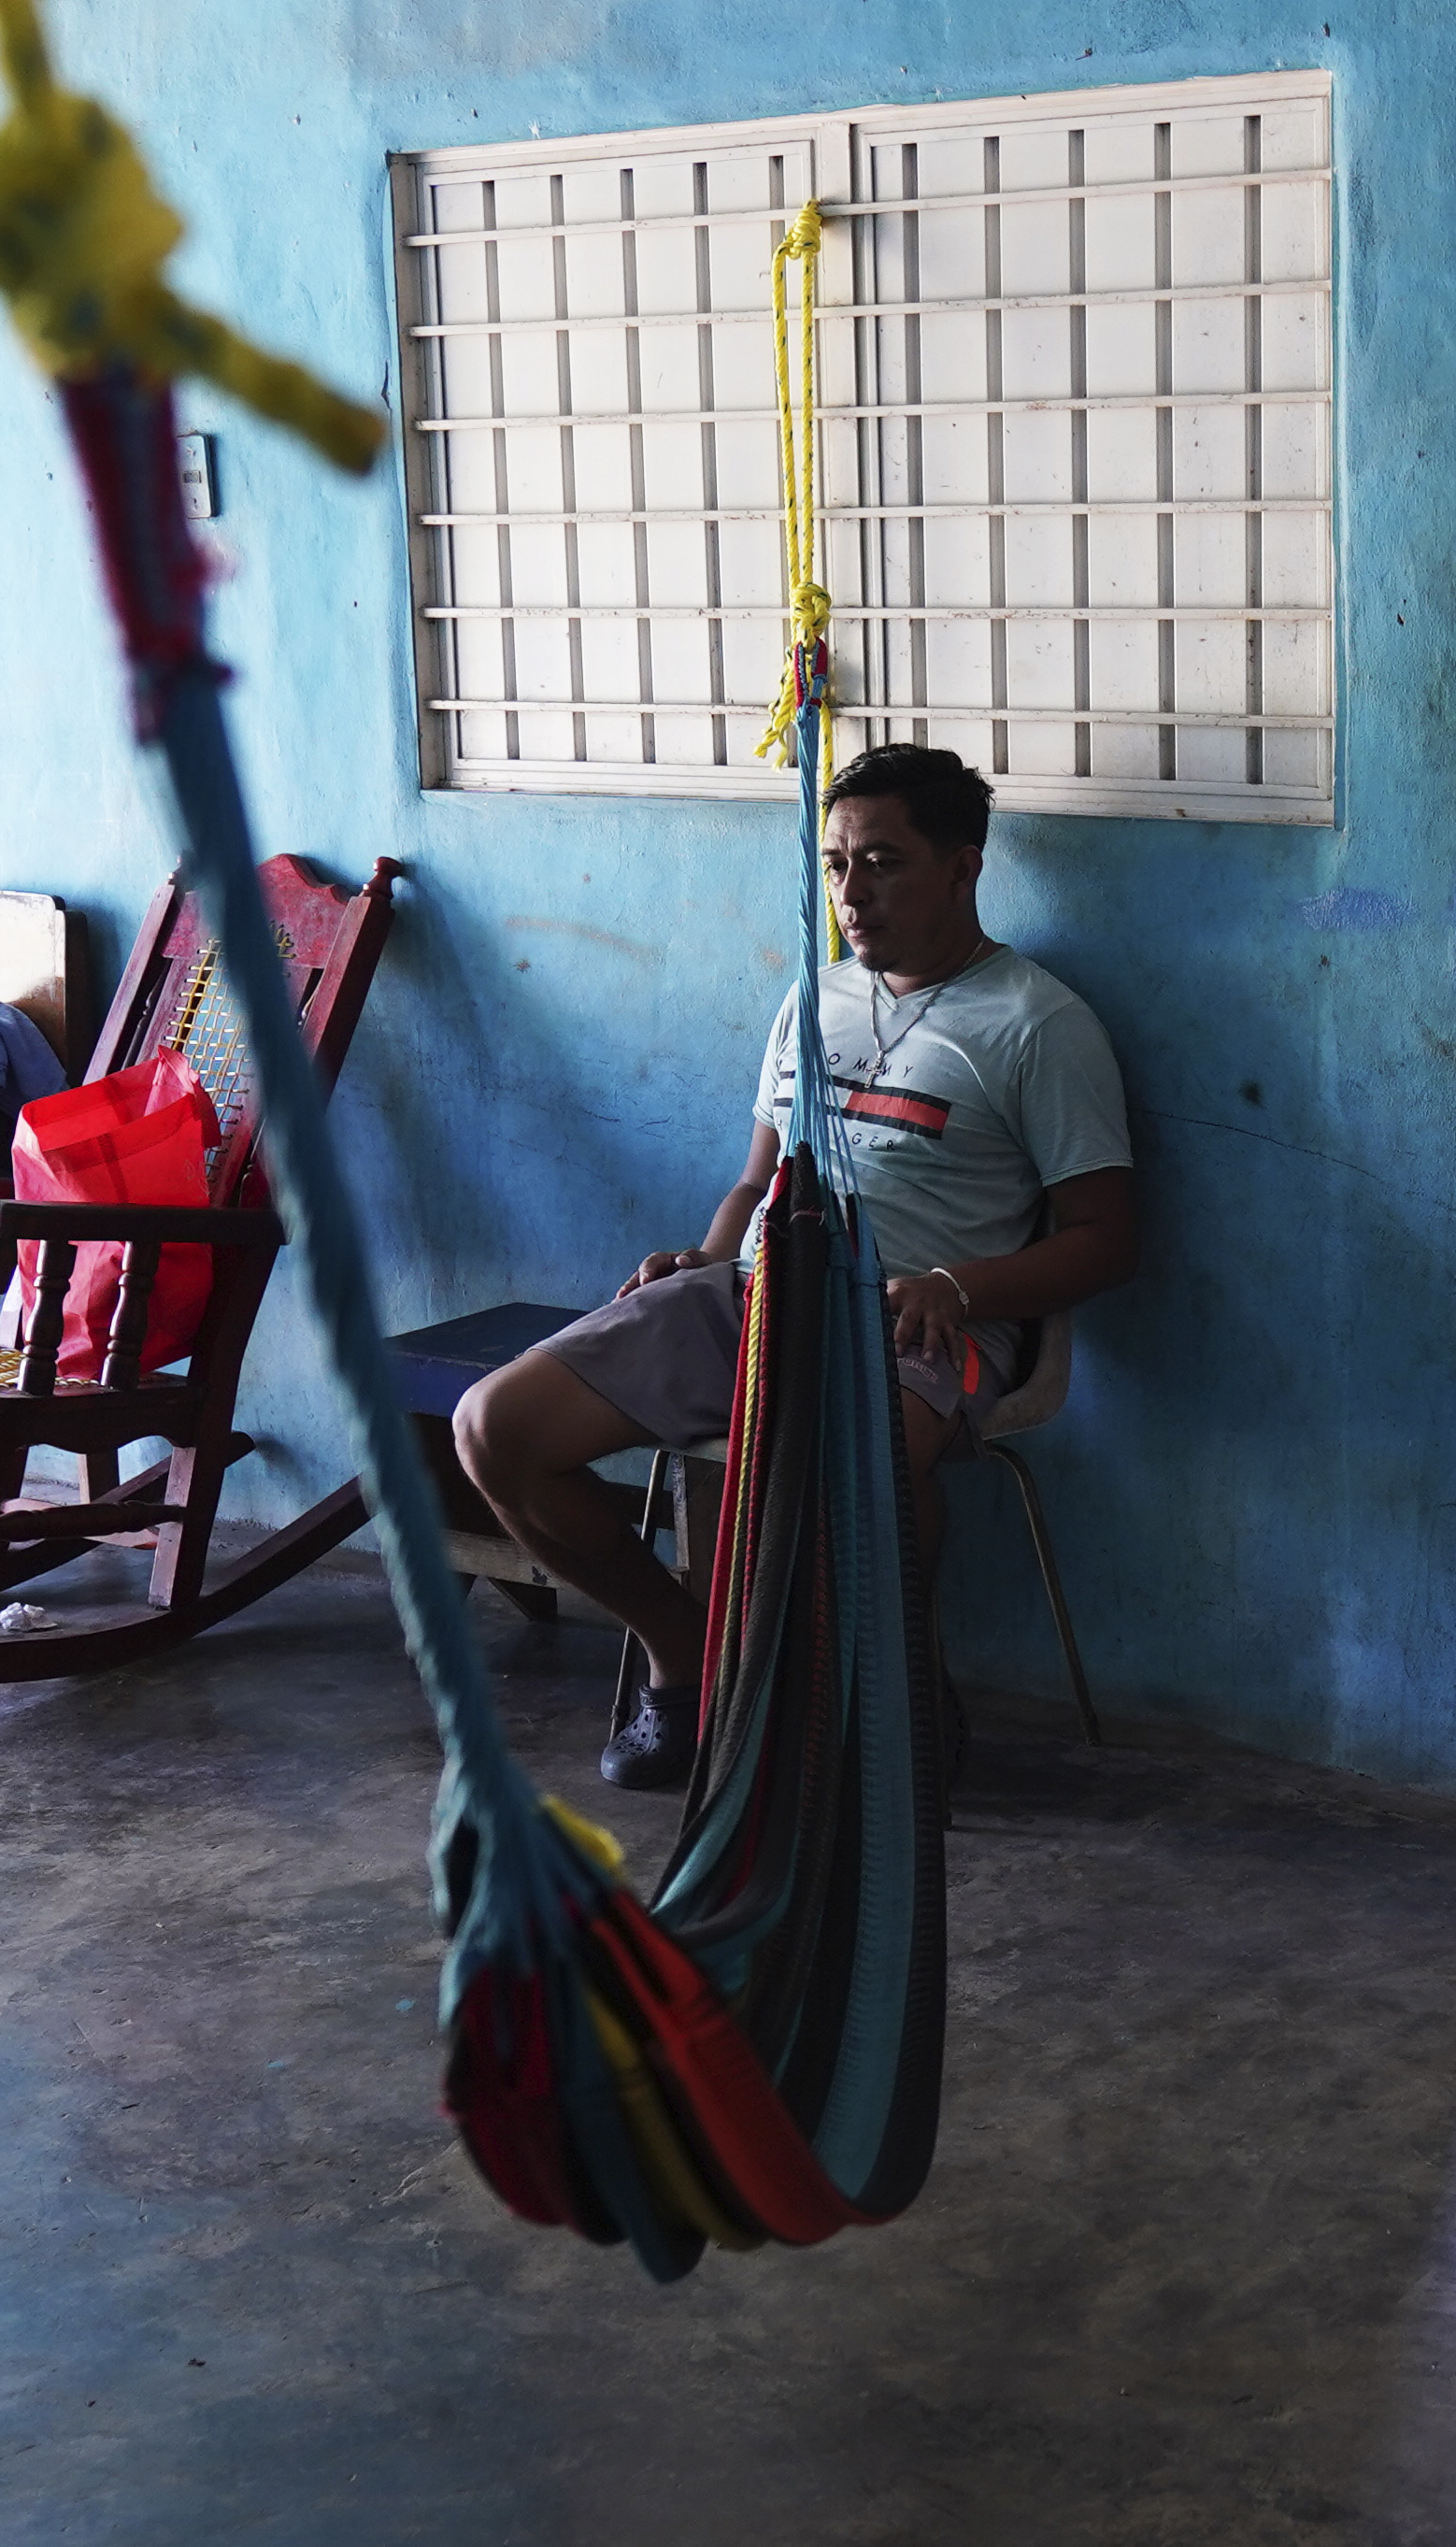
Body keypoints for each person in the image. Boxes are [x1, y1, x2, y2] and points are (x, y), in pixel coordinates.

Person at [455, 742, 1137, 1793]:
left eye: (883, 863)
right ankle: (692, 1658)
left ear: (965, 867)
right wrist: (711, 1255)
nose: (850, 895)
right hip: (760, 1290)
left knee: (855, 1459)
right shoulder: (812, 1000)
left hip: (927, 1322)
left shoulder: (1038, 1024)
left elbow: (1106, 1235)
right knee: (493, 1427)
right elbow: (757, 1177)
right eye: (834, 864)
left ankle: (892, 1689)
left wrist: (959, 1289)